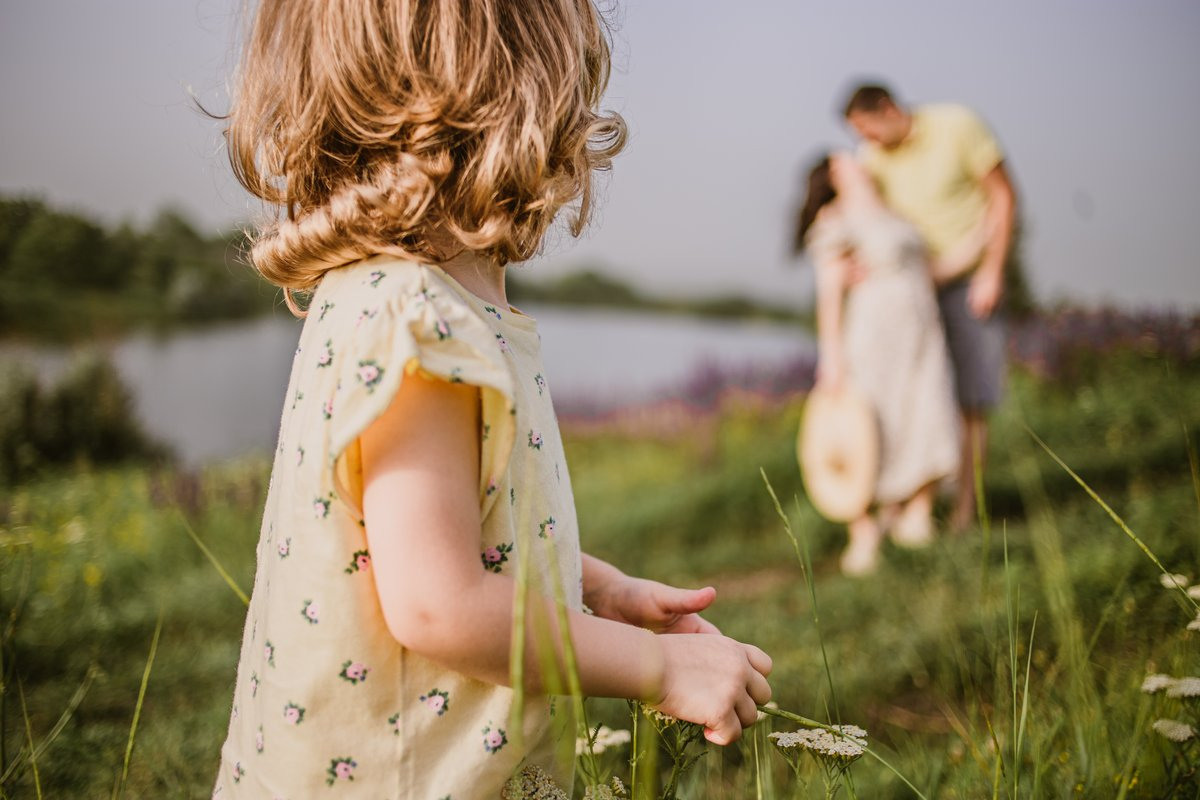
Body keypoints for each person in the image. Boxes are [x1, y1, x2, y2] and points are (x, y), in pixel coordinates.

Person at [211, 2, 772, 797]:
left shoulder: (403, 301)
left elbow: (441, 536)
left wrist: (595, 589)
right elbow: (437, 602)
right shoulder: (417, 319)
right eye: (575, 93)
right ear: (517, 105)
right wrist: (660, 667)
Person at [842, 83, 1017, 532]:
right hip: (912, 292)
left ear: (888, 108)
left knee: (971, 400)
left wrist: (992, 270)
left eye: (868, 129)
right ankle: (909, 503)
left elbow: (1002, 195)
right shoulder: (872, 157)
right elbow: (865, 217)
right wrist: (852, 265)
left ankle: (965, 511)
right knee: (913, 398)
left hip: (969, 282)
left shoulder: (957, 125)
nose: (866, 141)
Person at [795, 153, 962, 576]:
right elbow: (829, 292)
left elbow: (930, 270)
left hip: (922, 331)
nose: (859, 157)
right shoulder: (836, 219)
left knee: (927, 413)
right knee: (868, 429)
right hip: (873, 335)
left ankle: (916, 515)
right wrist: (831, 357)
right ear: (835, 173)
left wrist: (984, 240)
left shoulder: (894, 211)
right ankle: (863, 530)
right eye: (848, 157)